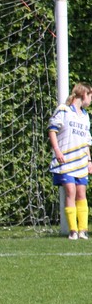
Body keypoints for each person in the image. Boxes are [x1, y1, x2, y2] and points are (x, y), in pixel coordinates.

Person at [48, 83, 92, 240]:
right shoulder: (64, 110)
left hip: (80, 161)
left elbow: (86, 141)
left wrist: (89, 160)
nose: (91, 100)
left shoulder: (85, 116)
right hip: (65, 160)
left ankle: (83, 230)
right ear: (84, 94)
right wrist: (57, 150)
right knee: (71, 191)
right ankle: (73, 230)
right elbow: (52, 130)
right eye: (91, 96)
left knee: (81, 193)